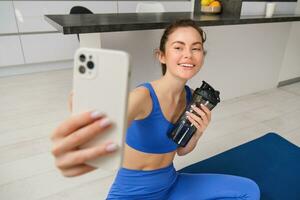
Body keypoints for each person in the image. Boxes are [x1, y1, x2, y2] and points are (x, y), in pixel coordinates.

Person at [51, 19, 260, 199]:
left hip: (171, 185)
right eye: (178, 47)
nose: (188, 54)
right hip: (131, 194)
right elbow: (110, 127)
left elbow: (181, 150)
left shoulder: (193, 97)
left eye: (195, 48)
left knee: (248, 191)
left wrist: (198, 134)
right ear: (162, 56)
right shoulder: (142, 97)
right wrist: (89, 127)